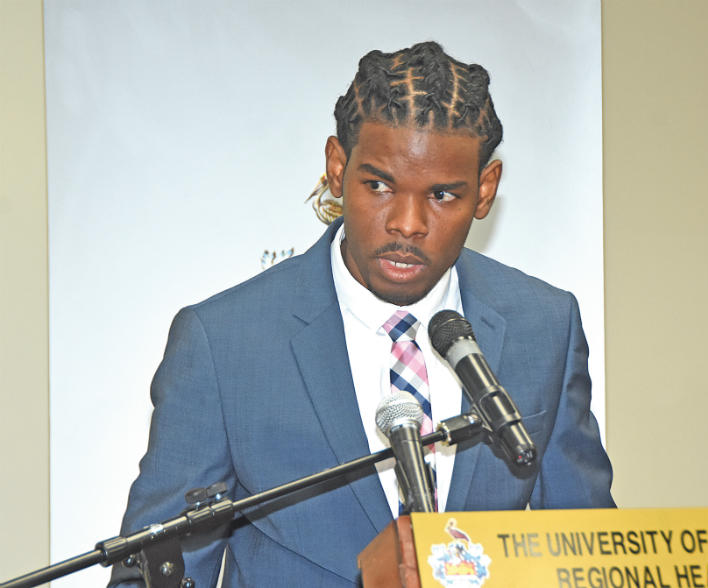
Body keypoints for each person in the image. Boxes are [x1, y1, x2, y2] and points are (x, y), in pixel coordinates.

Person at [110, 41, 614, 587]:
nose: (407, 222)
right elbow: (157, 571)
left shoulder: (544, 326)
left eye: (443, 194)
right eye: (379, 185)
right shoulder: (225, 343)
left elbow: (589, 558)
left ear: (485, 190)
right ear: (336, 167)